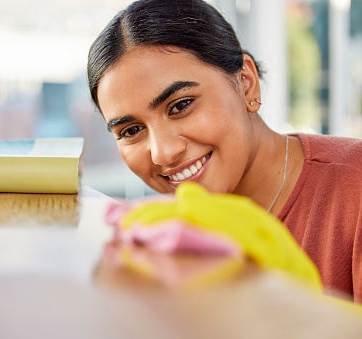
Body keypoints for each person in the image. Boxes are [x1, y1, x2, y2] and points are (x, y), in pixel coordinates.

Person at [87, 0, 362, 302]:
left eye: (180, 105)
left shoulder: (355, 191)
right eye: (131, 131)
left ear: (246, 84)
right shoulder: (165, 241)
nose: (163, 153)